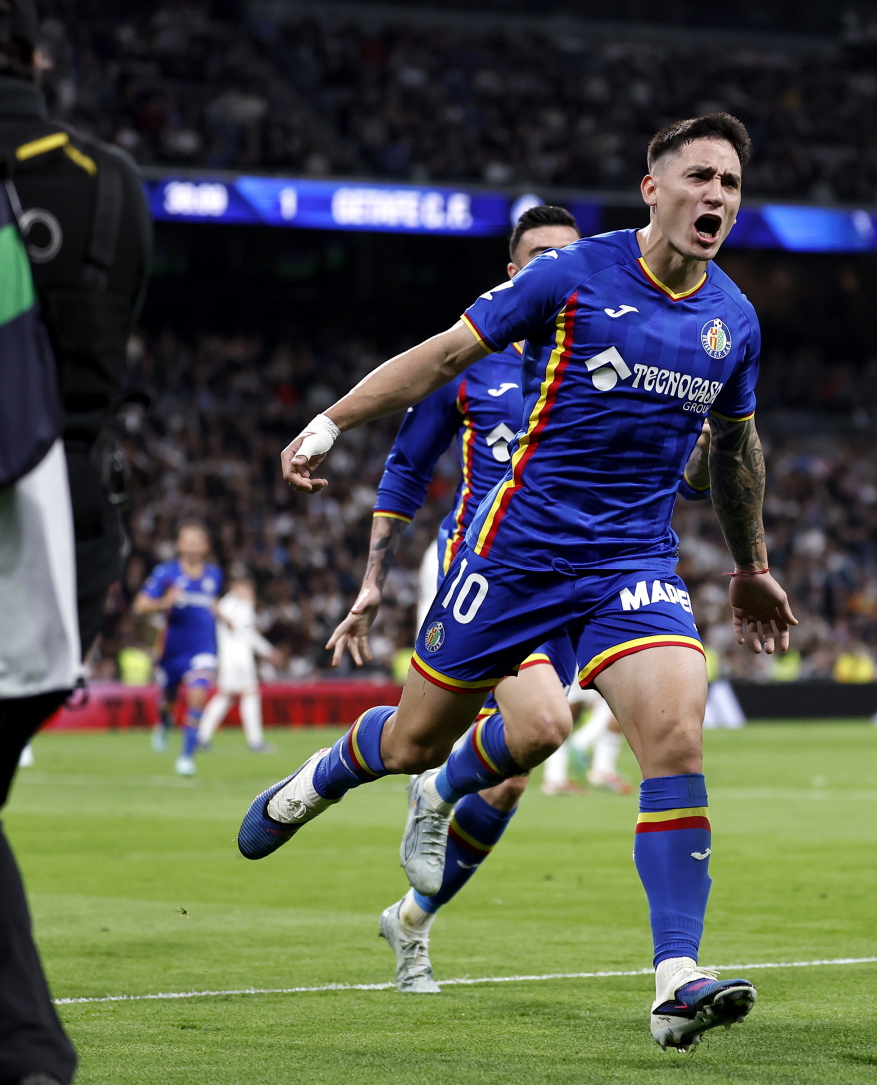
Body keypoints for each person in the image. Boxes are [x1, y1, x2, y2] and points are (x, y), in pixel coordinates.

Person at [241, 113, 795, 1051]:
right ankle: (326, 774)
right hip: (514, 559)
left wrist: (752, 566)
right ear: (653, 188)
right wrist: (331, 423)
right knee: (415, 742)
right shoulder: (572, 276)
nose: (718, 197)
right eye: (700, 176)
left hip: (631, 563)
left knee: (676, 735)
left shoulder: (732, 318)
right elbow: (444, 357)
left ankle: (674, 975)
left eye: (732, 184)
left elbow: (736, 450)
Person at [0, 1, 151, 1081]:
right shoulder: (112, 186)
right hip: (59, 558)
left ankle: (27, 1055)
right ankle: (25, 1059)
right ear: (37, 62)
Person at [321, 206, 583, 993]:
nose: (551, 268)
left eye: (565, 257)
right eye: (537, 256)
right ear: (512, 270)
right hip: (479, 565)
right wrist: (373, 581)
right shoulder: (473, 354)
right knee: (533, 727)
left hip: (566, 579)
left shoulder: (600, 358)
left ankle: (411, 922)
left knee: (508, 774)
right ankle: (425, 784)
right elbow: (406, 467)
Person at [133, 522, 221, 776]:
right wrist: (165, 602)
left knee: (197, 693)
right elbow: (140, 606)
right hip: (172, 651)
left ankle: (186, 757)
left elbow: (210, 603)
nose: (193, 545)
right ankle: (164, 721)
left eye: (198, 540)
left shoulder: (214, 575)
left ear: (206, 546)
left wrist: (219, 613)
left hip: (202, 648)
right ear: (179, 545)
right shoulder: (166, 573)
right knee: (169, 700)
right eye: (187, 540)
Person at [197, 567, 275, 754]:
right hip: (237, 660)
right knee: (247, 695)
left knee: (226, 697)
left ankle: (201, 737)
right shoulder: (234, 605)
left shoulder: (228, 605)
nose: (250, 592)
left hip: (232, 659)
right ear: (236, 586)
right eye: (246, 587)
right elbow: (247, 634)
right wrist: (268, 651)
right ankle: (255, 741)